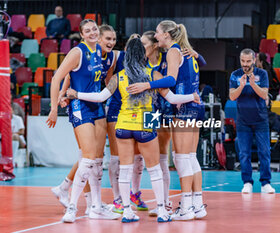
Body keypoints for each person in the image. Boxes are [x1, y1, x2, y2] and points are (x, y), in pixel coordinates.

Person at [66, 37, 200, 222]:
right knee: (155, 169)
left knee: (125, 169)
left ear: (128, 55)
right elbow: (173, 99)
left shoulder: (118, 76)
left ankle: (127, 211)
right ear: (143, 55)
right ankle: (162, 210)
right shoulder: (153, 75)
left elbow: (100, 97)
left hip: (123, 124)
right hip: (146, 121)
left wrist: (76, 94)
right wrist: (192, 96)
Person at [126, 21, 207, 220]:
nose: (153, 40)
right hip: (169, 109)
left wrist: (147, 85)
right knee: (174, 157)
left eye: (149, 41)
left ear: (160, 39)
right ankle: (191, 203)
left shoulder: (171, 53)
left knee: (177, 158)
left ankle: (181, 205)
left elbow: (172, 79)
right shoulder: (150, 60)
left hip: (177, 107)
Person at [46, 19, 119, 223]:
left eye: (94, 29)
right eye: (88, 31)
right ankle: (72, 206)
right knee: (87, 159)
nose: (92, 32)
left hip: (96, 106)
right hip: (80, 107)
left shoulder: (99, 51)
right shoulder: (77, 52)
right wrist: (54, 106)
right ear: (82, 35)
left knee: (96, 161)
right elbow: (57, 77)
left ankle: (95, 206)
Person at [229, 48, 275, 194]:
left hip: (261, 120)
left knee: (264, 152)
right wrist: (242, 85)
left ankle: (265, 183)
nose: (245, 64)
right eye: (243, 61)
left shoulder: (262, 74)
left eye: (248, 61)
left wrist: (253, 84)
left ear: (254, 60)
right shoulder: (235, 75)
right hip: (243, 120)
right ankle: (247, 182)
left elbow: (264, 95)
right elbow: (232, 97)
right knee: (244, 153)